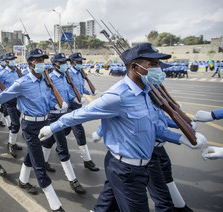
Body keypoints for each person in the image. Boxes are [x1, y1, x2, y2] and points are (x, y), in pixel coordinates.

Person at [38, 43, 207, 212]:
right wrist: (53, 127)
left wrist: (181, 138)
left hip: (142, 165)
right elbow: (82, 114)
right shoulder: (118, 96)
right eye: (153, 64)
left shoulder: (148, 91)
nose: (158, 69)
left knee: (105, 207)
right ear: (135, 67)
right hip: (125, 169)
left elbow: (154, 126)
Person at [0, 48, 65, 212]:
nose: (42, 63)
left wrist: (55, 105)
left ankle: (22, 180)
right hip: (30, 126)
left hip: (44, 124)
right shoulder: (23, 82)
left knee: (32, 155)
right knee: (40, 165)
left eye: (43, 60)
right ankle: (56, 206)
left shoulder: (44, 81)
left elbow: (48, 100)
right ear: (30, 64)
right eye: (38, 60)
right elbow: (5, 94)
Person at [41, 52, 86, 194]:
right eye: (63, 62)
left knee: (50, 141)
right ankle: (72, 180)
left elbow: (68, 93)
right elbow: (44, 97)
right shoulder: (49, 78)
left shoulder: (65, 77)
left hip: (64, 115)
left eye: (66, 62)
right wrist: (54, 105)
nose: (66, 64)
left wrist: (75, 99)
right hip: (54, 116)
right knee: (62, 147)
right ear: (55, 65)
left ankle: (43, 162)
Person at [67, 52, 99, 172]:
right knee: (79, 131)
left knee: (64, 130)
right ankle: (87, 160)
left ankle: (55, 146)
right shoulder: (67, 74)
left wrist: (89, 92)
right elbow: (65, 90)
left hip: (78, 105)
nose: (81, 63)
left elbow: (80, 88)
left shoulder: (80, 73)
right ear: (72, 62)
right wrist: (74, 98)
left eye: (81, 61)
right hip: (70, 106)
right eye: (79, 61)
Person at [0, 52, 24, 158]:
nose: (13, 61)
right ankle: (11, 145)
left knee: (17, 124)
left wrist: (19, 72)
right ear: (6, 61)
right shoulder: (2, 73)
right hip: (9, 101)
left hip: (19, 101)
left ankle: (12, 142)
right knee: (16, 123)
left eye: (14, 59)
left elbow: (23, 82)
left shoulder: (17, 71)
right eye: (11, 59)